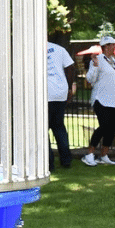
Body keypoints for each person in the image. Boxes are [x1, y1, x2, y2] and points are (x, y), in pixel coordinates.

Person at [81, 36, 115, 166]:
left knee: (112, 127)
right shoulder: (98, 60)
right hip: (100, 99)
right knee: (104, 126)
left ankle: (104, 155)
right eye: (113, 45)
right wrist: (95, 65)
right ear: (106, 46)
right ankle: (89, 154)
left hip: (114, 101)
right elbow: (90, 79)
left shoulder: (114, 61)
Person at [46, 40, 76, 169]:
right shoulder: (58, 48)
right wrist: (69, 88)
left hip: (45, 93)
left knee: (43, 129)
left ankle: (49, 162)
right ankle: (66, 159)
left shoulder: (32, 49)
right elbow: (70, 68)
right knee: (58, 127)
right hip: (60, 92)